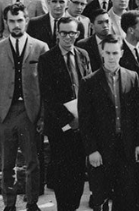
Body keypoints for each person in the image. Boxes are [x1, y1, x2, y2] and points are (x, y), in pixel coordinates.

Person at [0, 4, 48, 211]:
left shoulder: (40, 47)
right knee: (7, 164)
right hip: (6, 112)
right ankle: (9, 204)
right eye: (11, 21)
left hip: (30, 113)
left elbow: (45, 86)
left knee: (32, 162)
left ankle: (32, 203)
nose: (16, 25)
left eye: (20, 20)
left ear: (27, 20)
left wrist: (41, 116)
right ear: (5, 22)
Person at [80, 35, 139, 211]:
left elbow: (138, 115)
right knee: (101, 198)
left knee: (125, 197)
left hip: (126, 147)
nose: (111, 57)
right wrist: (92, 150)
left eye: (115, 53)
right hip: (101, 150)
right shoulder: (89, 82)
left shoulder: (132, 77)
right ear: (102, 53)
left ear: (121, 53)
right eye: (108, 53)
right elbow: (85, 121)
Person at [38, 16, 92, 211]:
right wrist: (69, 119)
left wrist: (83, 117)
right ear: (57, 34)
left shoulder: (83, 55)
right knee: (62, 171)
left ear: (78, 34)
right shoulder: (47, 59)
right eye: (64, 33)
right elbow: (48, 95)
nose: (68, 37)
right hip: (61, 125)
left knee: (78, 170)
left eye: (72, 33)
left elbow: (89, 85)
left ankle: (73, 206)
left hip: (81, 123)